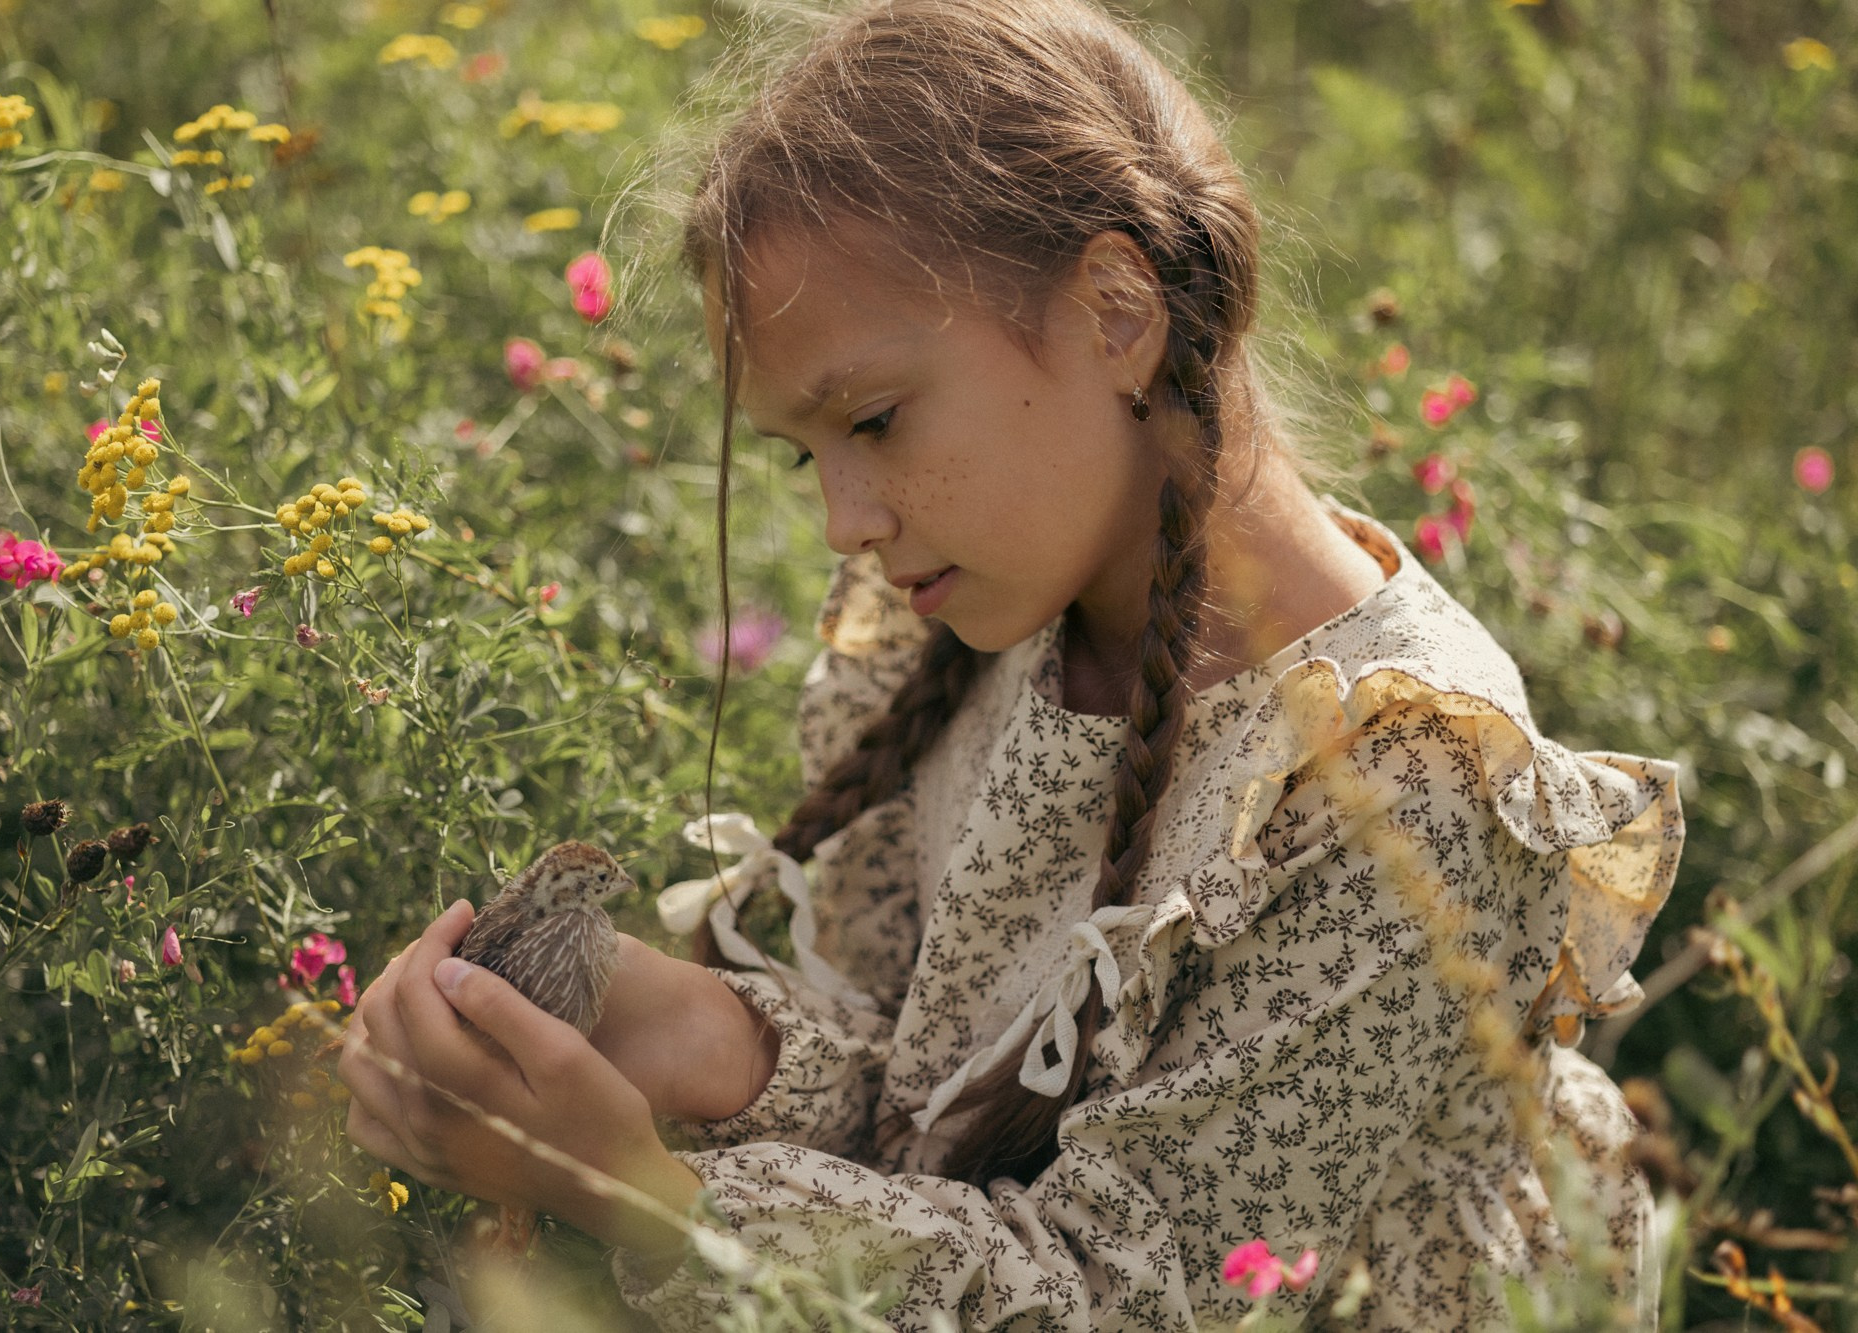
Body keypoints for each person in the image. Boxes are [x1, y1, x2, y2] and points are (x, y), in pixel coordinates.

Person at [340, 0, 1685, 1327]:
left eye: (874, 418)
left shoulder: (1406, 778)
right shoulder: (993, 627)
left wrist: (643, 1195)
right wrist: (694, 1035)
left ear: (1116, 314)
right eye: (812, 453)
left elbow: (1130, 1296)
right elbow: (932, 1117)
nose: (846, 521)